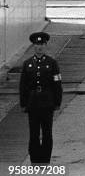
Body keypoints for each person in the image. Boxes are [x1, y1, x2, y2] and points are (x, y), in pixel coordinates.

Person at [19, 32, 62, 165]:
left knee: (47, 133)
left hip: (47, 102)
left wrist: (57, 102)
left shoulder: (52, 63)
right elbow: (23, 85)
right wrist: (23, 103)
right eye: (37, 45)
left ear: (46, 46)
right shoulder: (27, 64)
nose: (39, 47)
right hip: (33, 103)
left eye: (42, 44)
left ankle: (45, 160)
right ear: (33, 46)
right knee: (34, 133)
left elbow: (57, 83)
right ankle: (35, 160)